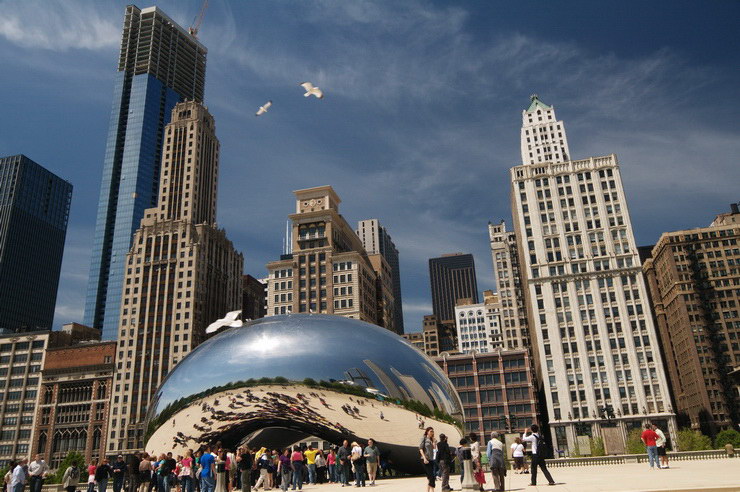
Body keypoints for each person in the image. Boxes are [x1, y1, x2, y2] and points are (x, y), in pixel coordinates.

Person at [419, 427, 435, 492]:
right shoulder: (424, 438)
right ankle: (433, 491)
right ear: (427, 431)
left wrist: (434, 442)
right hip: (425, 459)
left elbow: (434, 449)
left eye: (433, 431)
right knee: (432, 477)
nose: (432, 433)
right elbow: (420, 449)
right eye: (431, 431)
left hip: (431, 459)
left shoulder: (432, 439)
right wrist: (424, 458)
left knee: (429, 477)